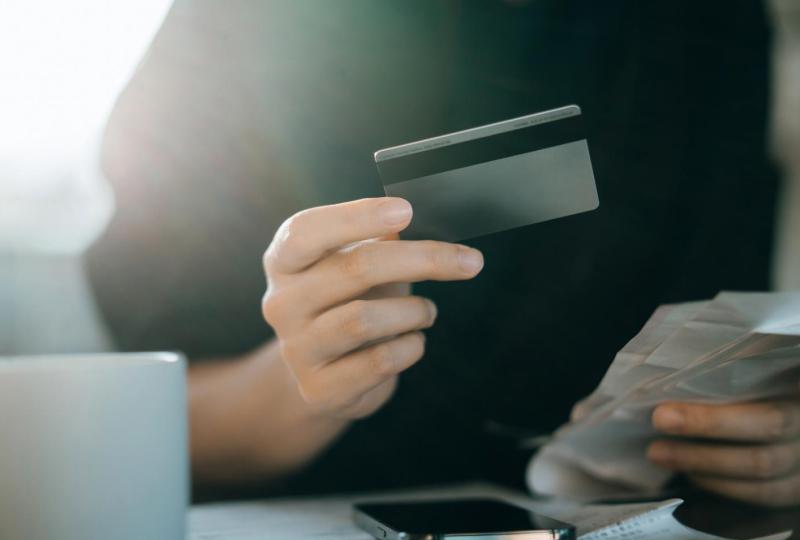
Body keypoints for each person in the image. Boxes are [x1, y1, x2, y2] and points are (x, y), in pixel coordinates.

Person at [87, 0, 800, 506]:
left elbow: (748, 346)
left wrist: (776, 448)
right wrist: (308, 378)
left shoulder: (717, 28)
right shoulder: (243, 31)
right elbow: (154, 427)